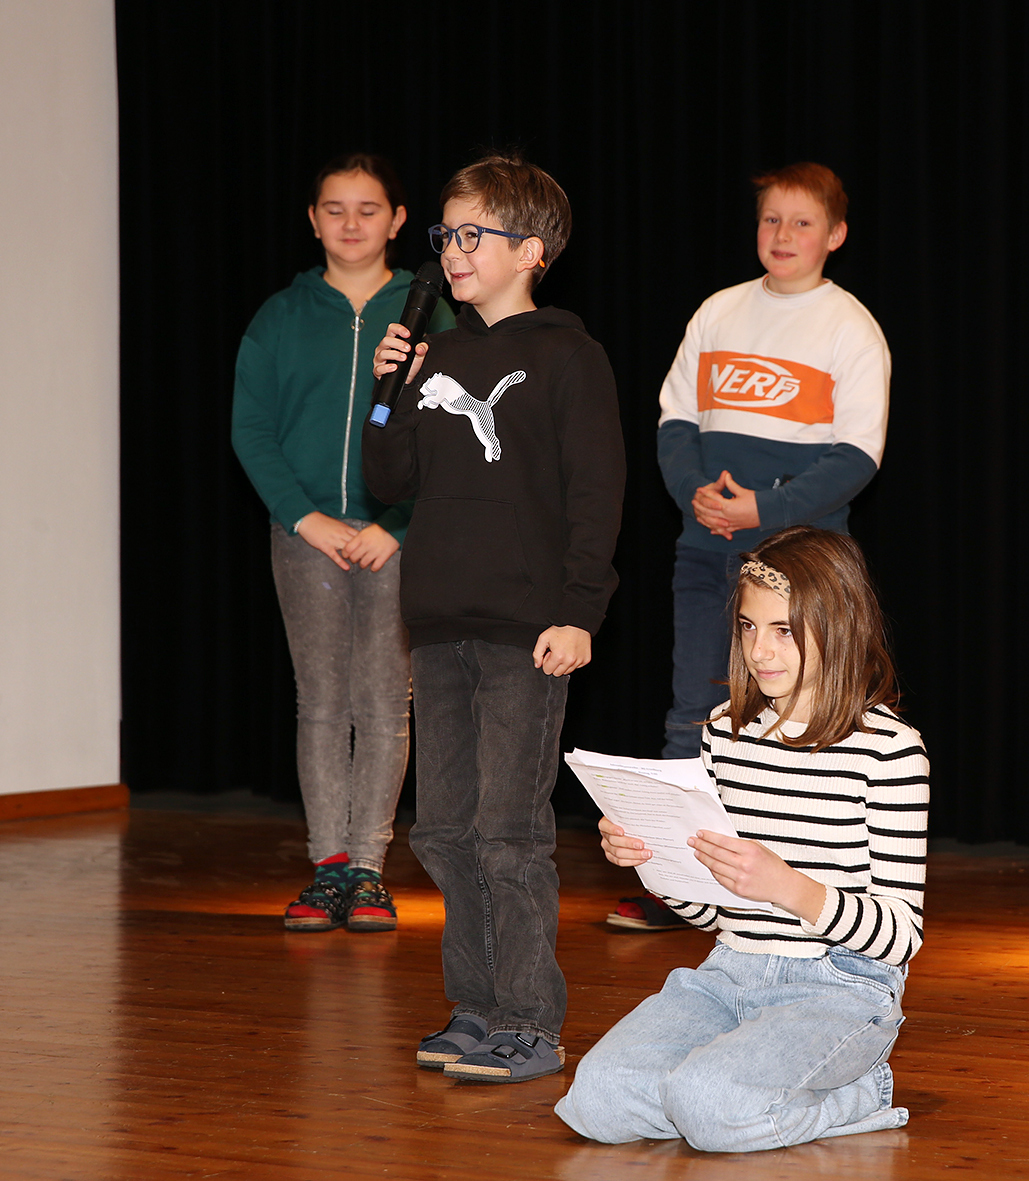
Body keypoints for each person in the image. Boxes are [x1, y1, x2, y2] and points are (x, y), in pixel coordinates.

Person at [364, 153, 626, 1080]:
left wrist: (579, 609)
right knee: (444, 829)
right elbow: (386, 480)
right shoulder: (436, 354)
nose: (452, 251)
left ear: (532, 250)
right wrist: (389, 392)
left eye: (473, 234)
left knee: (509, 833)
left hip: (525, 630)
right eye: (447, 234)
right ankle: (474, 1007)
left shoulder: (567, 355)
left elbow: (596, 494)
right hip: (439, 624)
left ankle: (530, 1021)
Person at [557, 526, 928, 1152]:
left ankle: (862, 1092)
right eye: (749, 627)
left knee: (710, 1106)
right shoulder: (726, 732)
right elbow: (715, 912)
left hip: (842, 985)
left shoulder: (889, 750)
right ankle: (725, 1090)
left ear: (838, 625)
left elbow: (900, 937)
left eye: (784, 630)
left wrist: (788, 887)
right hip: (729, 971)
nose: (760, 650)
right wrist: (653, 861)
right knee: (597, 1100)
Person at [617, 162, 890, 934]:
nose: (783, 234)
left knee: (799, 712)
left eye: (802, 222)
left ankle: (793, 879)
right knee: (692, 710)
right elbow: (675, 421)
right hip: (707, 551)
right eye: (772, 219)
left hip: (800, 564)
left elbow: (857, 455)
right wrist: (697, 495)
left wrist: (764, 508)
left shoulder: (850, 326)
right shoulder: (718, 311)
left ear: (835, 235)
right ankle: (677, 881)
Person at [232, 153, 455, 934]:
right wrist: (304, 517)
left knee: (388, 704)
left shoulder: (433, 316)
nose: (351, 223)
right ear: (312, 219)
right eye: (335, 208)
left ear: (398, 221)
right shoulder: (280, 316)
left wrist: (397, 524)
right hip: (308, 538)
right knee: (323, 703)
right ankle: (327, 865)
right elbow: (251, 429)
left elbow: (453, 432)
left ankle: (368, 869)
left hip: (398, 541)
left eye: (368, 209)